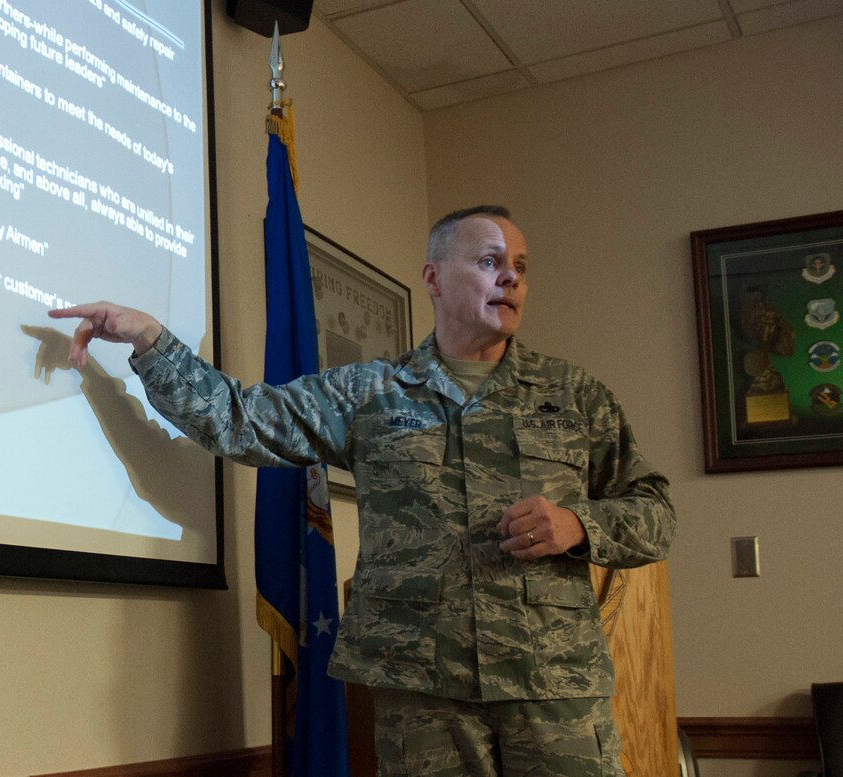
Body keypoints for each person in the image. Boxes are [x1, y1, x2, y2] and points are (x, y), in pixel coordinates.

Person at [48, 205, 676, 777]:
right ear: (432, 278)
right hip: (423, 693)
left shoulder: (574, 397)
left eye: (519, 266)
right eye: (488, 261)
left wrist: (578, 526)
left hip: (555, 689)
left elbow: (655, 512)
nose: (509, 277)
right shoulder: (371, 392)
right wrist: (152, 340)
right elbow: (243, 420)